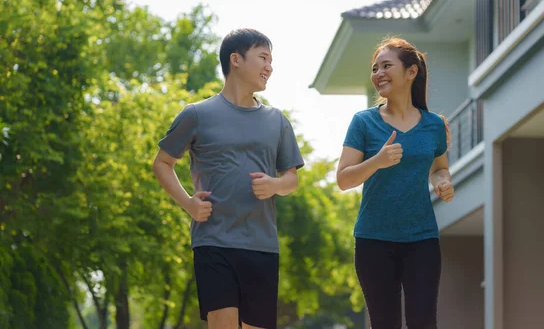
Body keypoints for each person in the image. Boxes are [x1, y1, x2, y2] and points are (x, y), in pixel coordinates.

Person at [152, 28, 304, 329]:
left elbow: (291, 179)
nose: (269, 67)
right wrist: (188, 204)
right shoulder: (197, 114)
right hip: (213, 241)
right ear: (235, 59)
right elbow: (162, 163)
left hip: (261, 244)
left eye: (271, 61)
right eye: (263, 57)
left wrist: (274, 185)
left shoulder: (277, 120)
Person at [336, 36, 454, 329]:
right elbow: (343, 179)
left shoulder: (434, 125)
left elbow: (439, 168)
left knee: (423, 322)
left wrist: (443, 182)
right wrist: (377, 161)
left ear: (411, 71)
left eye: (386, 66)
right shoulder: (363, 122)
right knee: (384, 323)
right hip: (374, 240)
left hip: (422, 240)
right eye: (374, 69)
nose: (378, 74)